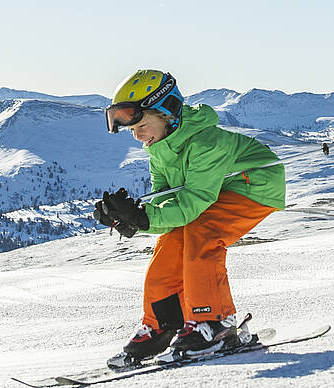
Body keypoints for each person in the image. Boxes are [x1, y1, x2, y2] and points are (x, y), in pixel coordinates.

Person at [95, 69, 285, 366]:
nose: (137, 135)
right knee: (170, 242)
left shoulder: (205, 142)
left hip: (254, 185)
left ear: (166, 112)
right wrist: (134, 219)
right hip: (216, 190)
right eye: (132, 130)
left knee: (202, 233)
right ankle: (162, 325)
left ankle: (216, 323)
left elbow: (195, 201)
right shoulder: (159, 149)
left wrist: (143, 218)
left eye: (141, 125)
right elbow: (169, 204)